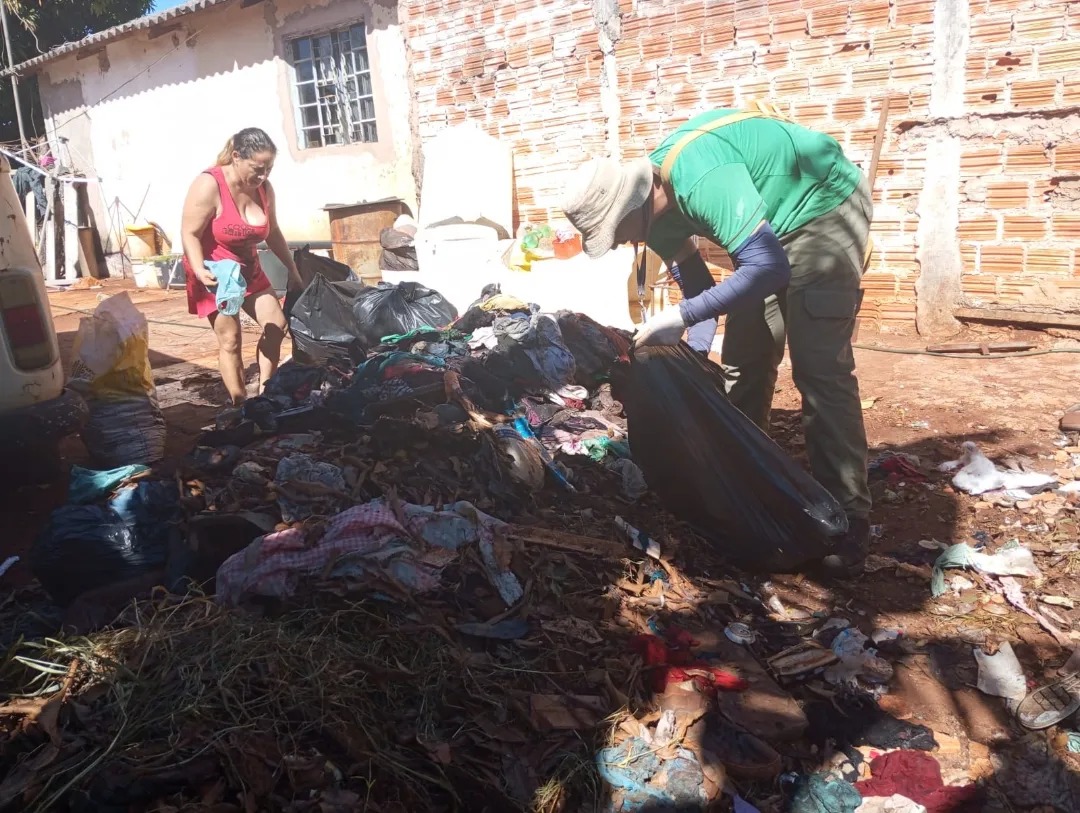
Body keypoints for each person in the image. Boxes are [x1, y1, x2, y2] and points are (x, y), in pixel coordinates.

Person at [561, 105, 873, 577]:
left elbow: (766, 268)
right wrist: (691, 354)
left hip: (820, 208)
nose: (622, 243)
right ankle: (748, 481)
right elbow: (700, 287)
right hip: (768, 237)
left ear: (632, 207)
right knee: (744, 359)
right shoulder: (655, 217)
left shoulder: (699, 177)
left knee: (818, 368)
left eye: (617, 234)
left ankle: (848, 516)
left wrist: (681, 315)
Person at [181, 127, 303, 405]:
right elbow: (189, 233)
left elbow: (273, 231)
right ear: (236, 157)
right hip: (215, 272)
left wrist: (292, 268)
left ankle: (265, 393)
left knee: (276, 326)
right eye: (257, 169)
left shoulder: (264, 189)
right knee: (231, 340)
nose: (263, 176)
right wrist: (199, 270)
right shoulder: (209, 184)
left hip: (248, 268)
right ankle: (239, 403)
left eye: (269, 169)